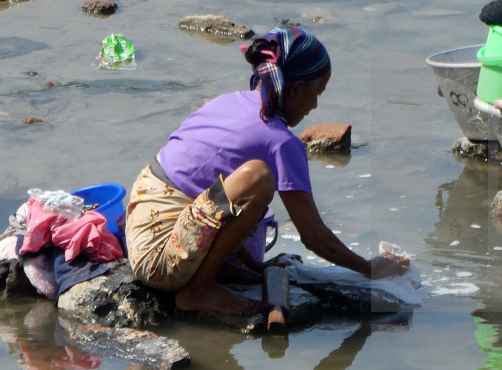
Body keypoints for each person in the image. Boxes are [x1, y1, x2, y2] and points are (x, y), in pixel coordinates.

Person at [124, 24, 409, 317]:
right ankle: (197, 291)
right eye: (317, 93)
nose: (315, 105)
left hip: (139, 238)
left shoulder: (226, 102)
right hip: (159, 261)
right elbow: (313, 237)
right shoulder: (280, 141)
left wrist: (252, 267)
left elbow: (208, 201)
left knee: (242, 191)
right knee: (257, 178)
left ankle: (216, 274)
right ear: (297, 89)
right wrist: (368, 268)